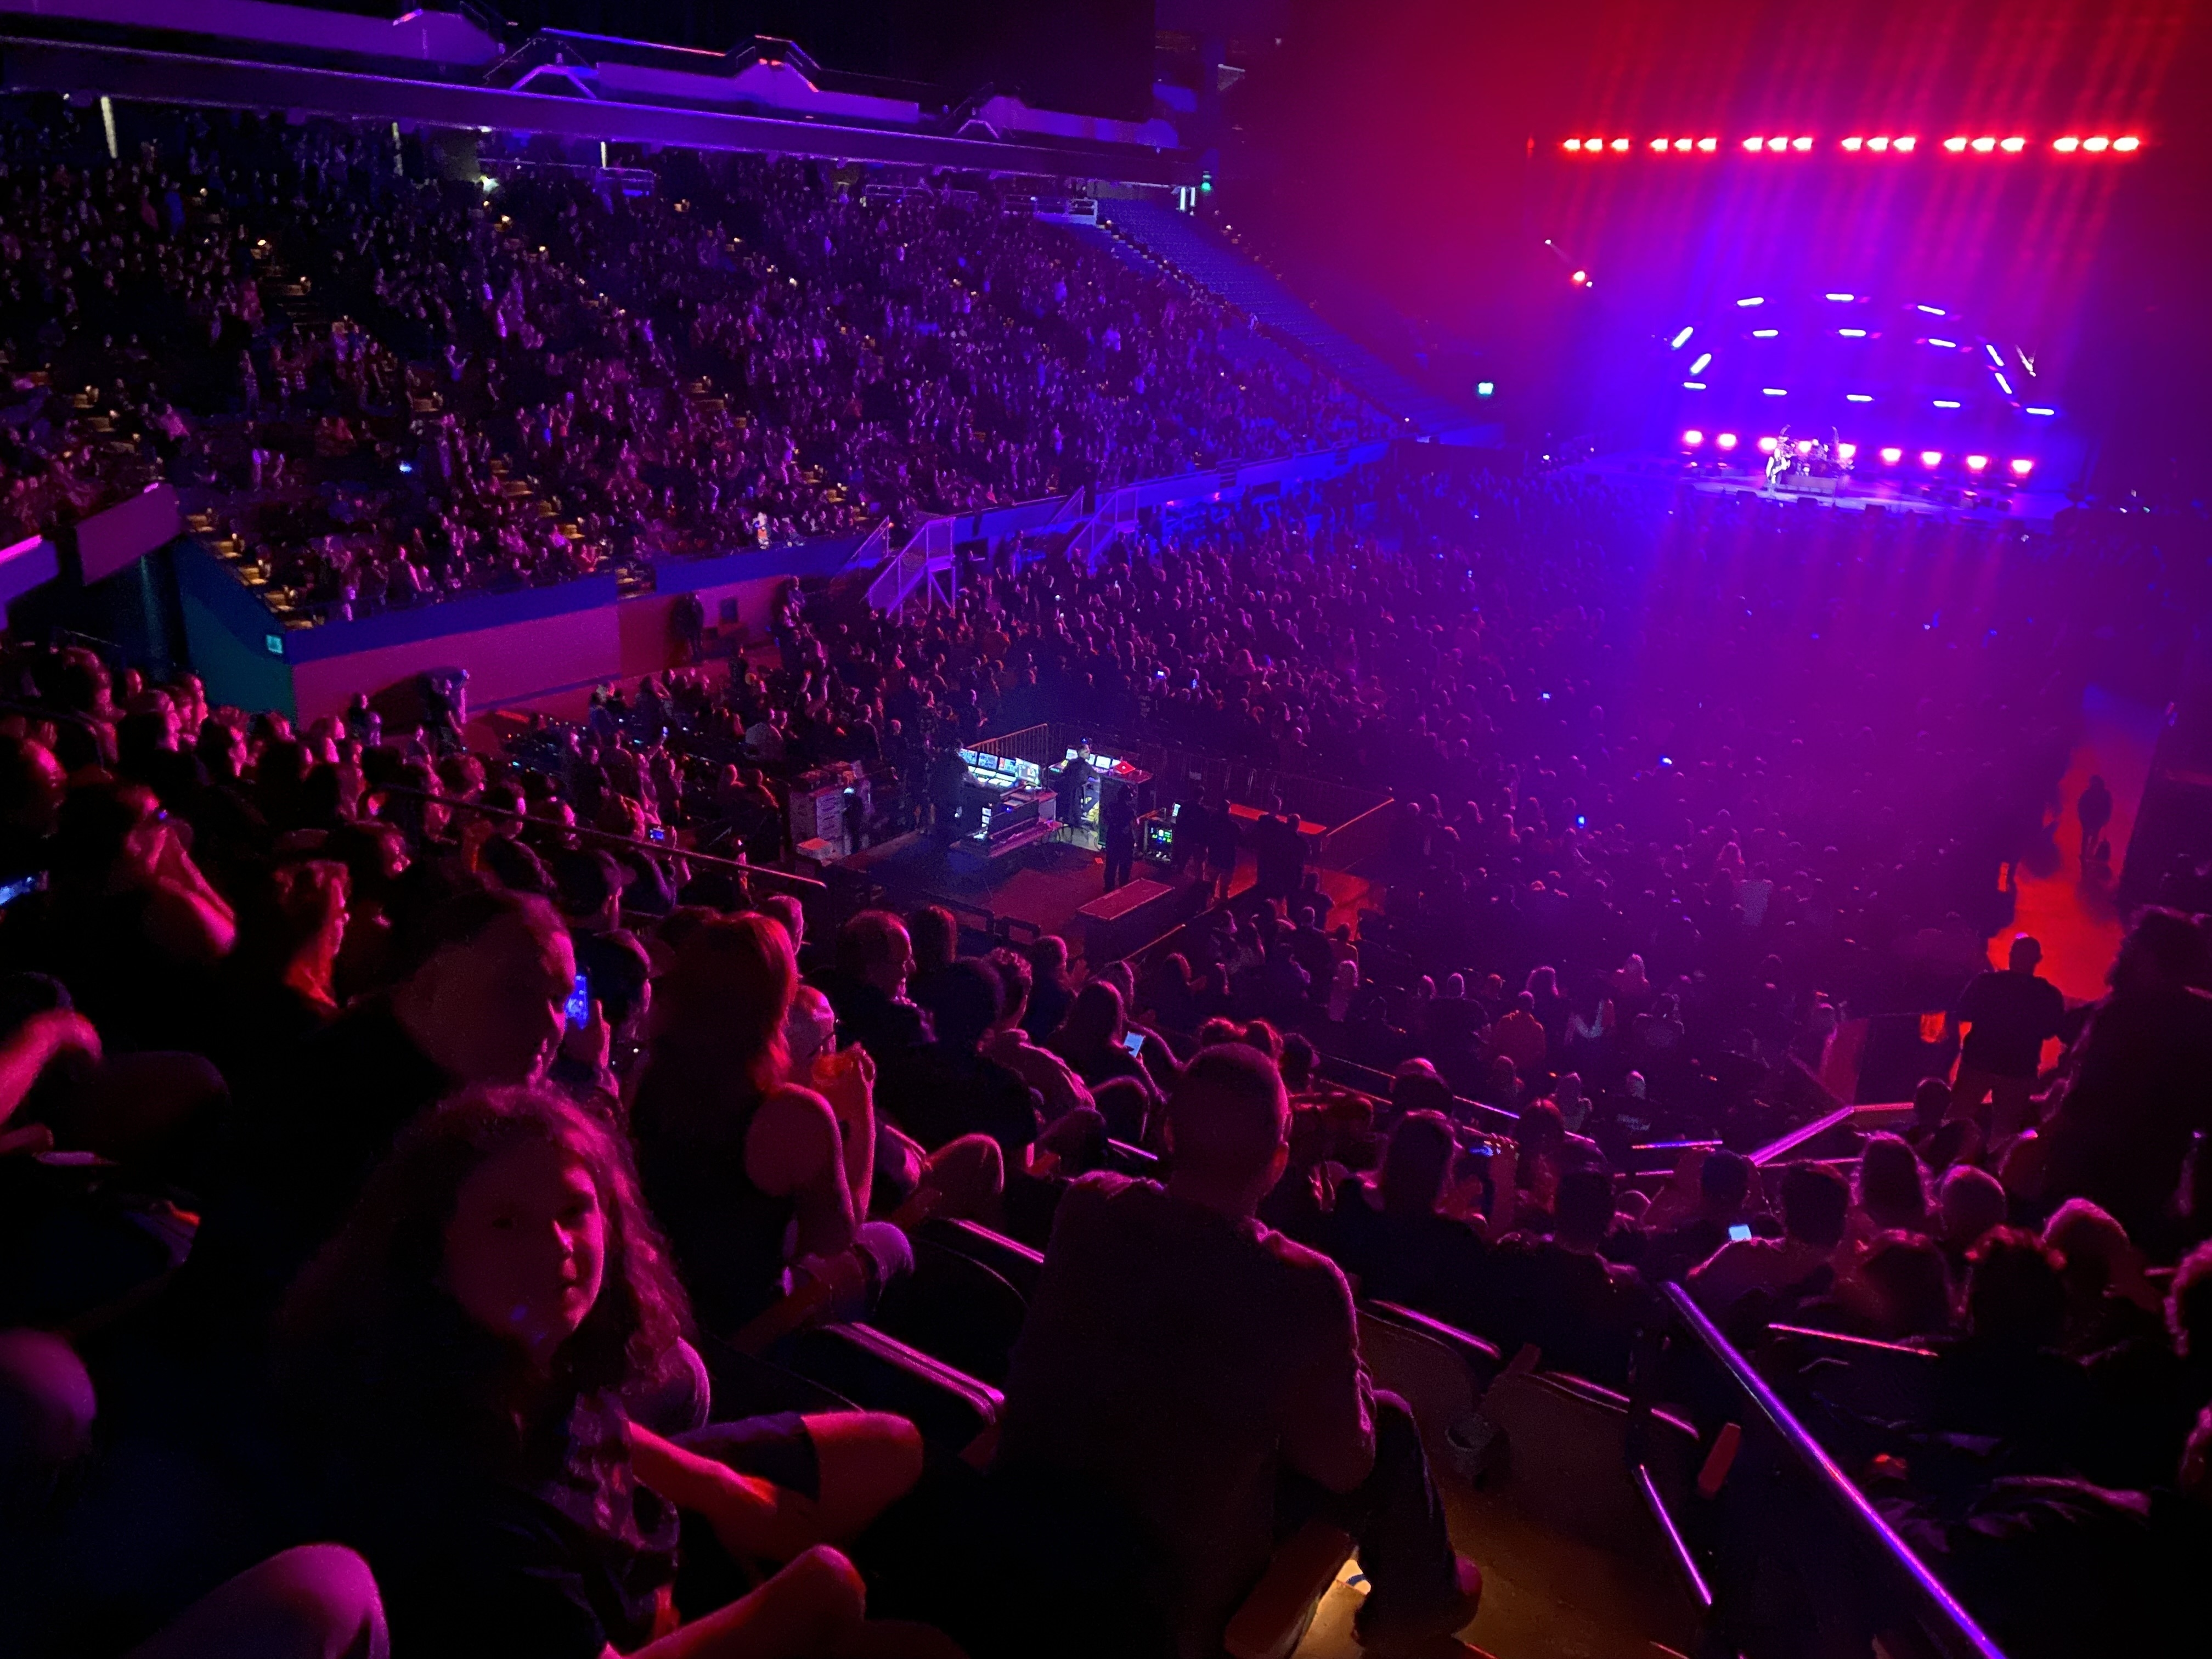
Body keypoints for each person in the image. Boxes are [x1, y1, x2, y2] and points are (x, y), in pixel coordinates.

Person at [275, 1086, 952, 1659]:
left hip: (640, 1539)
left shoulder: (522, 1347)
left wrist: (724, 1491)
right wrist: (801, 1602)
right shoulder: (472, 1508)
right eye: (507, 1223)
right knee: (899, 1632)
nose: (557, 1246)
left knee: (893, 1447)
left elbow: (591, 1424)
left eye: (574, 1211)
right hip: (623, 1624)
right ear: (431, 1253)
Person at [995, 1046, 1481, 1658]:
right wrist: (1347, 1368)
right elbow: (1348, 1468)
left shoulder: (1088, 1205)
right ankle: (1417, 1610)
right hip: (1169, 1615)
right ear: (1278, 1164)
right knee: (1389, 1424)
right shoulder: (1305, 1286)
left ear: (1168, 1130)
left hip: (1023, 1541)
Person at [630, 914, 894, 1335]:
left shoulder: (645, 1075)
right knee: (892, 1243)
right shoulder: (792, 1113)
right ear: (775, 1004)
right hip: (744, 1331)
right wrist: (860, 1111)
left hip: (655, 1304)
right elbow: (835, 1238)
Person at [2042, 909, 2212, 1244]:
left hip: (2091, 1172)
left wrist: (2036, 1140)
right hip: (2160, 1175)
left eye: (2130, 942)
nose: (2121, 948)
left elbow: (2081, 1103)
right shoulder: (2203, 1015)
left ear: (2148, 955)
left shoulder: (2121, 1014)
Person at [1689, 1162, 1850, 1321]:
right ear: (1843, 1218)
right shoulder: (1850, 1276)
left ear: (1783, 1209)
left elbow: (1691, 1292)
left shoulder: (1745, 1256)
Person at [1951, 935, 2066, 1139]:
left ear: (2011, 955)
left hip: (1978, 1062)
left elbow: (1963, 1011)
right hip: (2018, 1069)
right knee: (2005, 1132)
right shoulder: (2047, 994)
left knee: (1956, 1122)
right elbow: (2051, 1030)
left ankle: (1949, 1156)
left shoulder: (1985, 983)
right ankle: (1996, 1161)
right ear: (2037, 959)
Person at [1101, 784, 1137, 893]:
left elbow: (1105, 818)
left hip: (1112, 838)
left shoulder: (1112, 806)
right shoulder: (1129, 810)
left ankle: (1109, 888)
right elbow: (1132, 825)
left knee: (1111, 865)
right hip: (1125, 841)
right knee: (1125, 866)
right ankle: (1123, 887)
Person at [2076, 775, 2113, 872]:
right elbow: (2081, 806)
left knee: (2091, 836)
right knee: (2088, 836)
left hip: (2095, 820)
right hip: (2090, 820)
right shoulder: (2092, 794)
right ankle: (2086, 854)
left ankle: (2088, 853)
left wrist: (2105, 819)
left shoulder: (2099, 794)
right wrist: (2083, 818)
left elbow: (2108, 808)